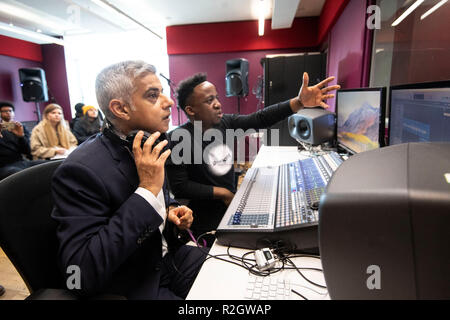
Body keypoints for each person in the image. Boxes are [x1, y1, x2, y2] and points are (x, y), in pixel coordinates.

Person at [51, 60, 206, 300]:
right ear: (121, 109)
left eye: (162, 92)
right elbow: (79, 274)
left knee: (234, 275)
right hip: (133, 284)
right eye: (153, 95)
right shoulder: (79, 171)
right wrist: (146, 191)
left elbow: (155, 202)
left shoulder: (147, 142)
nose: (169, 102)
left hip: (167, 260)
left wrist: (170, 209)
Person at [166, 72, 340, 246]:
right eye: (209, 100)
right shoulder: (177, 138)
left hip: (228, 204)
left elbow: (259, 119)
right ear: (190, 110)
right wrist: (223, 193)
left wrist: (299, 102)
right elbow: (180, 187)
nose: (218, 104)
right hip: (202, 218)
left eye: (217, 98)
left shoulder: (224, 123)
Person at [0, 101, 47, 180]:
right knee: (21, 174)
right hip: (3, 166)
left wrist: (21, 137)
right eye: (4, 111)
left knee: (49, 165)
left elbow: (28, 152)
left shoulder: (20, 127)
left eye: (10, 111)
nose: (8, 113)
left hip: (21, 162)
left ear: (14, 113)